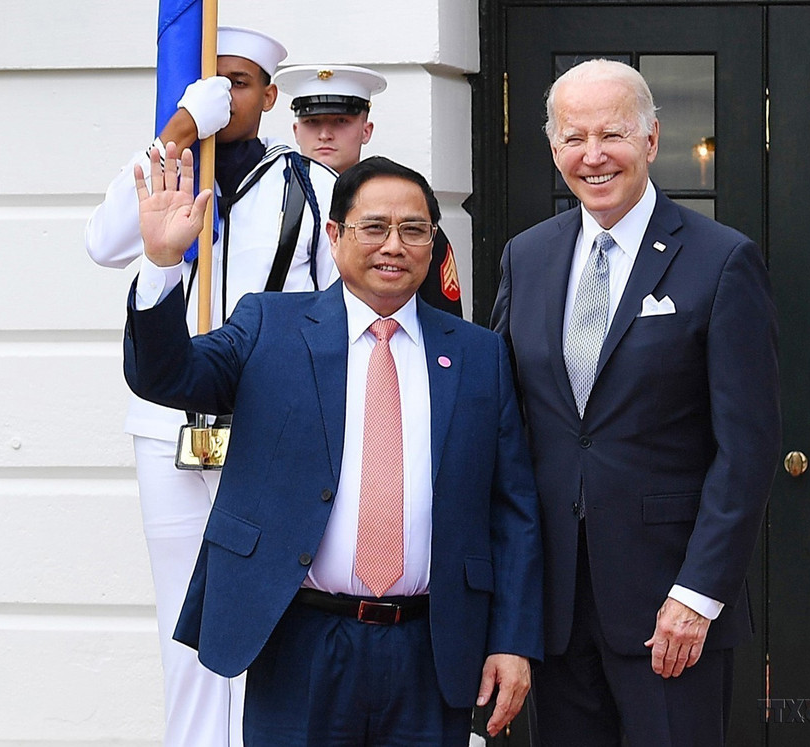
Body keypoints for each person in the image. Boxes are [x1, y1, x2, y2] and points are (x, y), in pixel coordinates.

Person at [124, 147, 544, 746]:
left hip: (433, 646)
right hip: (300, 642)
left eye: (413, 230)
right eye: (373, 227)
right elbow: (166, 376)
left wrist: (512, 640)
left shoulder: (478, 354)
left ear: (433, 241)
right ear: (335, 234)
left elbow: (514, 510)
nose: (393, 245)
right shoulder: (269, 325)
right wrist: (163, 264)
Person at [491, 59, 781, 745]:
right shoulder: (524, 257)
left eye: (612, 134)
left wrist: (697, 593)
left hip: (669, 609)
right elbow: (505, 423)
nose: (592, 156)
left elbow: (748, 447)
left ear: (651, 140)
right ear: (553, 147)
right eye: (573, 137)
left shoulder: (721, 259)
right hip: (554, 608)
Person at [85, 27, 337, 747]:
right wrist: (177, 133)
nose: (226, 97)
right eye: (212, 83)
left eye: (240, 82)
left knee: (270, 610)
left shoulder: (310, 186)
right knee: (184, 623)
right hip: (168, 425)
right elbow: (104, 243)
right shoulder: (170, 169)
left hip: (267, 426)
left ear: (269, 94)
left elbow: (332, 311)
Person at [275, 64, 464, 317]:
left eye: (341, 121)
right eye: (312, 122)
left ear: (366, 130)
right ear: (296, 131)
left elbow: (444, 323)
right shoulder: (270, 211)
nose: (324, 134)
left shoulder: (412, 220)